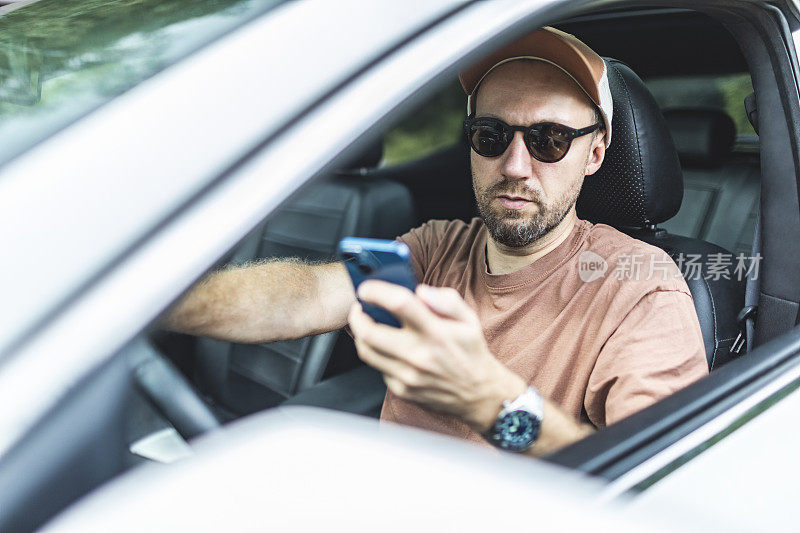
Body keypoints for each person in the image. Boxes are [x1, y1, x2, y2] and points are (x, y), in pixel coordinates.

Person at [163, 27, 708, 456]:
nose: (515, 166)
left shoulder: (641, 290)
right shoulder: (436, 247)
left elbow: (654, 490)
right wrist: (146, 305)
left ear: (594, 153)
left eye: (550, 140)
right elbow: (304, 295)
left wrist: (494, 405)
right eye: (491, 136)